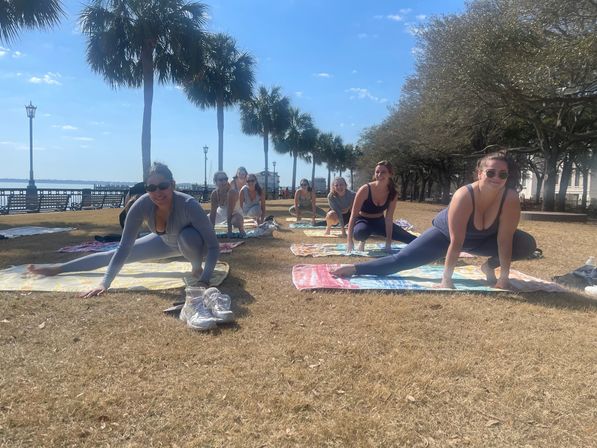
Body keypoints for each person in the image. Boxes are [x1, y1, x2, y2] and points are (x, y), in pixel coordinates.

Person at [332, 152, 537, 290]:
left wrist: (504, 278)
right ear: (479, 173)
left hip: (483, 241)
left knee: (525, 244)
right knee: (401, 261)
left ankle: (488, 267)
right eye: (490, 172)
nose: (497, 178)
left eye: (503, 174)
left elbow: (504, 240)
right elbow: (456, 241)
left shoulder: (509, 198)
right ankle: (355, 268)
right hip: (445, 237)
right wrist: (446, 279)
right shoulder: (464, 195)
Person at [28, 162, 220, 298]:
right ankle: (58, 269)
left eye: (163, 186)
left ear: (173, 185)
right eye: (151, 188)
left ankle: (196, 267)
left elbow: (213, 247)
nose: (157, 192)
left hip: (194, 245)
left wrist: (204, 279)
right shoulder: (142, 205)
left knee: (186, 236)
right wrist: (105, 283)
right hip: (164, 242)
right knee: (111, 255)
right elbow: (123, 248)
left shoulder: (188, 204)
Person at [344, 160, 417, 253]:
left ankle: (435, 250)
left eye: (383, 172)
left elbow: (389, 219)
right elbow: (353, 216)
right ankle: (362, 241)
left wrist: (388, 243)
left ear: (390, 174)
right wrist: (349, 241)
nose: (379, 174)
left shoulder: (393, 193)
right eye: (377, 172)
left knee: (411, 239)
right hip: (363, 221)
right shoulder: (365, 189)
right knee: (359, 233)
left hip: (380, 222)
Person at [209, 171, 245, 237]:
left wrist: (229, 231)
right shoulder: (214, 194)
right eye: (221, 180)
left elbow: (229, 212)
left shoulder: (232, 193)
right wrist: (212, 231)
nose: (224, 181)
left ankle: (241, 229)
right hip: (221, 213)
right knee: (205, 220)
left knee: (236, 221)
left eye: (226, 179)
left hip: (235, 213)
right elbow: (213, 213)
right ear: (215, 182)